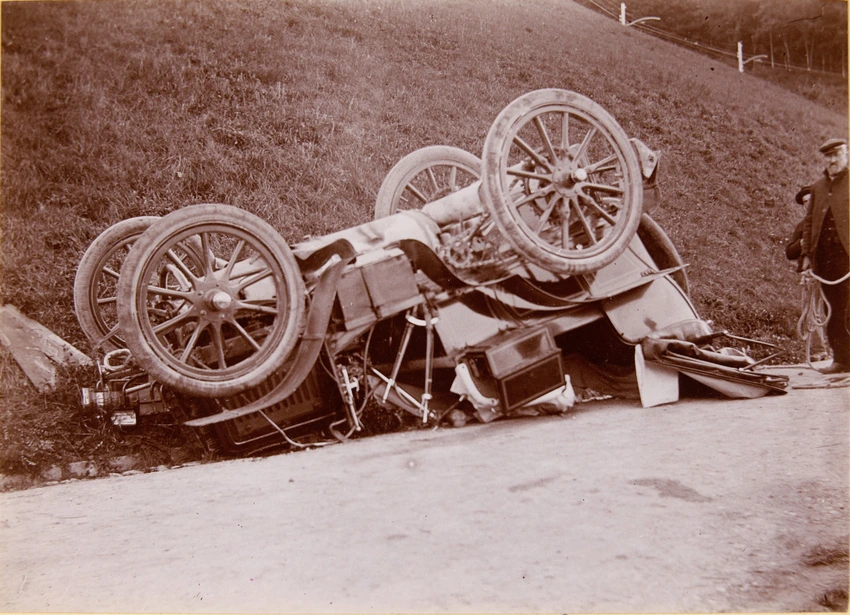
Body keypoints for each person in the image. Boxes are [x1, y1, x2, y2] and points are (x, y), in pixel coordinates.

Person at [800, 138, 850, 374]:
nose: (832, 160)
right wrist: (807, 257)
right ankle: (841, 360)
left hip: (847, 257)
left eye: (837, 155)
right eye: (828, 156)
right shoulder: (818, 187)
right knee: (834, 311)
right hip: (826, 260)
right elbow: (809, 224)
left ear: (846, 155)